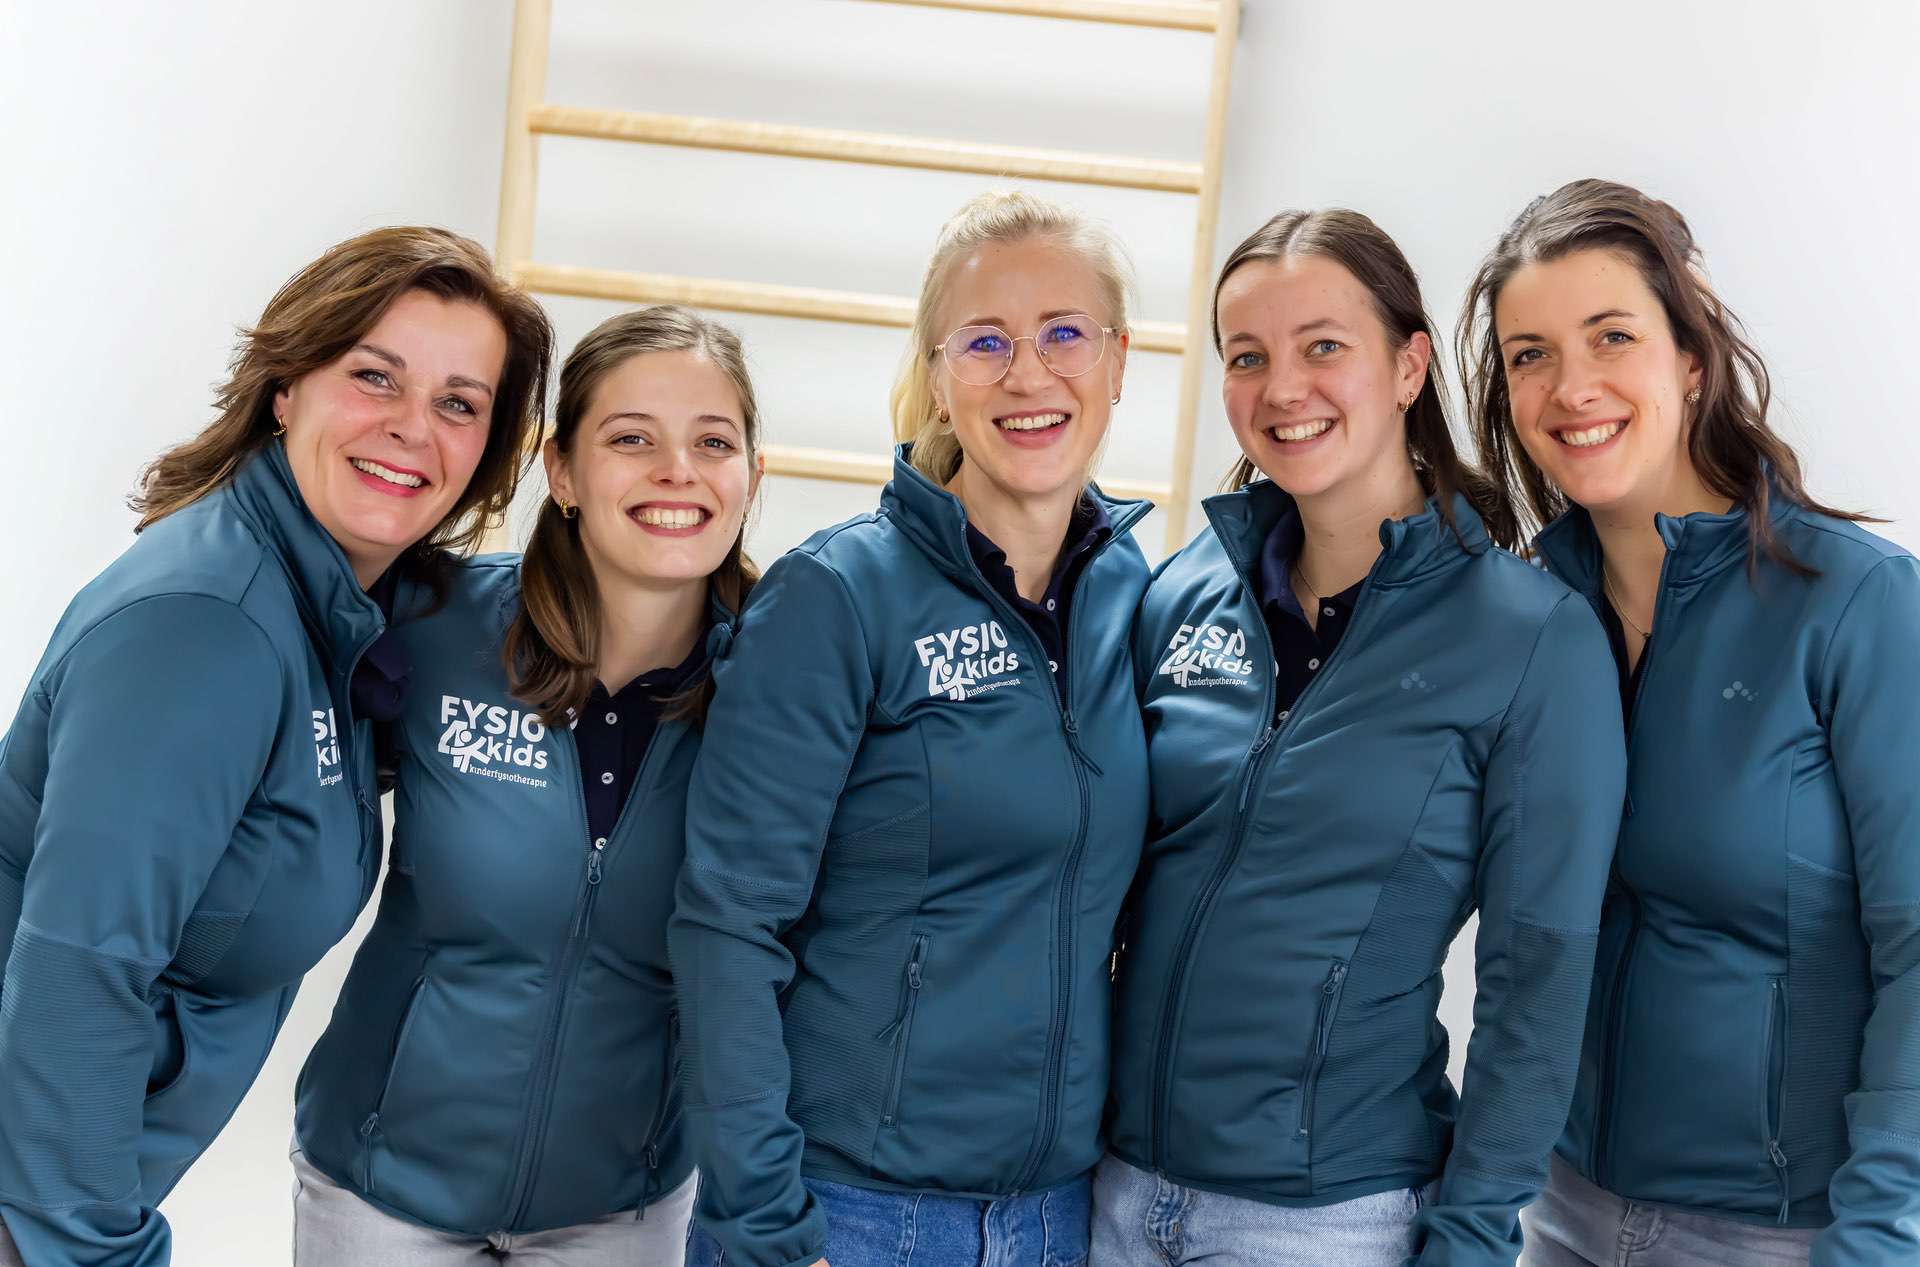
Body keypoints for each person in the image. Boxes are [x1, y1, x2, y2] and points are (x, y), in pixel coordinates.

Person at [0, 226, 553, 1266]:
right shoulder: (209, 626)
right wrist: (93, 1250)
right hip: (39, 1207)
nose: (411, 428)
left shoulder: (328, 609)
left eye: (458, 403)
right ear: (286, 387)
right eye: (374, 376)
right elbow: (80, 966)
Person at [1096, 209, 1624, 1267]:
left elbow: (1538, 979)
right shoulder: (1182, 590)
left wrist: (1471, 1238)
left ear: (1408, 366)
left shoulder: (1532, 638)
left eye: (1323, 346)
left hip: (1326, 1220)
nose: (1282, 388)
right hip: (1110, 1194)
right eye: (1247, 356)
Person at [673, 190, 1152, 1267]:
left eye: (1065, 333)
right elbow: (726, 925)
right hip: (848, 1213)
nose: (1029, 374)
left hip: (1056, 1219)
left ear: (1119, 360)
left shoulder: (1132, 592)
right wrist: (765, 1221)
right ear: (938, 376)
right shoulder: (837, 595)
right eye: (985, 342)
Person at [1459, 177, 1920, 1267]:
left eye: (1611, 336)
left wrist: (1878, 1240)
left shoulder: (1858, 603)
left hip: (1781, 1235)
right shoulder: (1526, 615)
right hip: (1559, 1210)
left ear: (1693, 358)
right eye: (1530, 354)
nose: (1572, 386)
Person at [290, 305, 761, 1265]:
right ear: (563, 470)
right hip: (380, 1189)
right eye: (631, 439)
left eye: (713, 442)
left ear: (753, 474)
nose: (677, 470)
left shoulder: (779, 691)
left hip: (622, 1209)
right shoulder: (434, 622)